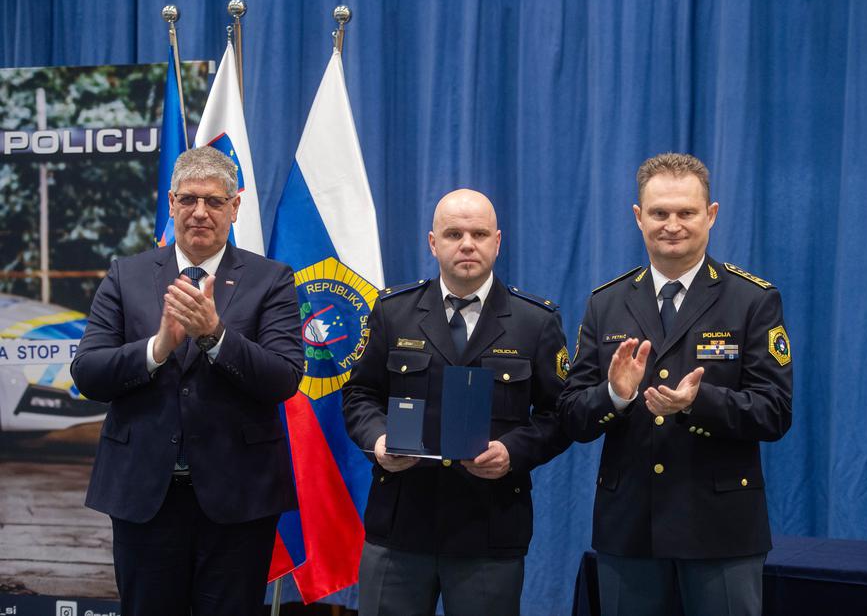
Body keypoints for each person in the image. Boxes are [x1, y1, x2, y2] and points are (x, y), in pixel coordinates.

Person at [71, 146, 303, 616]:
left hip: (238, 501)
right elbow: (88, 374)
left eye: (214, 202)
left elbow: (283, 377)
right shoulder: (126, 275)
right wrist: (157, 348)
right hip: (144, 498)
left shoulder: (271, 279)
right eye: (189, 200)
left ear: (235, 208)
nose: (200, 212)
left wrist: (215, 336)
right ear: (172, 203)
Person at [559, 153, 792, 616]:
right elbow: (572, 416)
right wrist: (615, 396)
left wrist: (696, 403)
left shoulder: (753, 300)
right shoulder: (605, 303)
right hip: (630, 531)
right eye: (660, 212)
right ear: (638, 217)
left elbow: (774, 412)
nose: (672, 224)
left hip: (721, 530)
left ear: (711, 215)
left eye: (686, 212)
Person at [343, 188, 571, 616]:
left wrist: (513, 451)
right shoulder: (394, 311)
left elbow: (559, 414)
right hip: (400, 527)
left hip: (489, 529)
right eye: (453, 234)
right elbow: (360, 395)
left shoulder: (535, 321)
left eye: (479, 233)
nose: (467, 244)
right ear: (433, 242)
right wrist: (378, 441)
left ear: (497, 241)